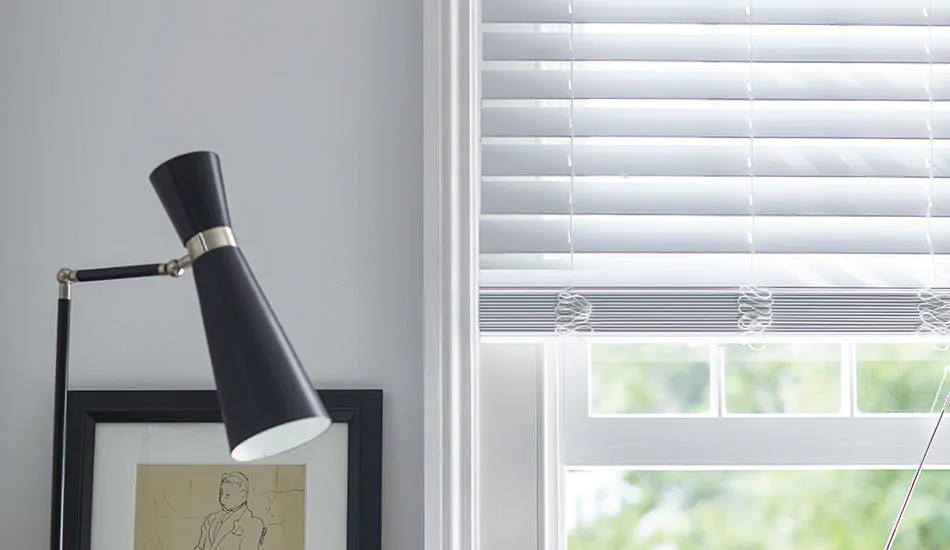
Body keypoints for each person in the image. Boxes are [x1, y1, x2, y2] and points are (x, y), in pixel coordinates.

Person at [194, 472, 265, 550]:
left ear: (242, 495)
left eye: (227, 495)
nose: (221, 499)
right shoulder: (210, 519)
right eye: (221, 493)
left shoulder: (253, 524)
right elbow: (200, 547)